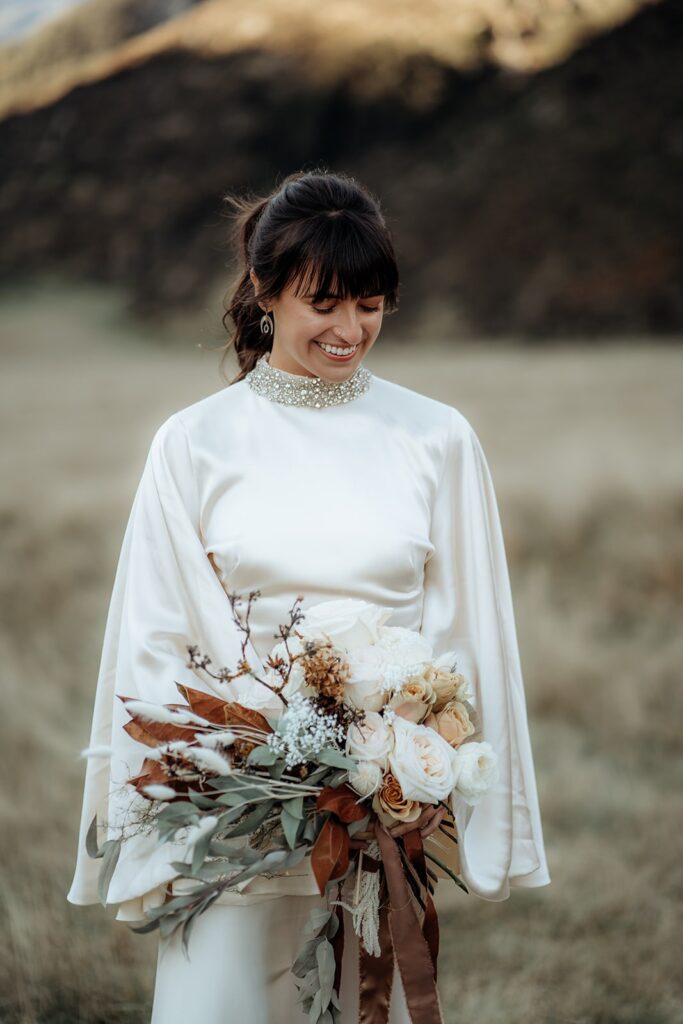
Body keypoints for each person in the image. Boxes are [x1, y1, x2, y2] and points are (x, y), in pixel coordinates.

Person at [66, 168, 551, 1023]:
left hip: (380, 810)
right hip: (233, 799)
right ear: (265, 289)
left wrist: (409, 763)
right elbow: (158, 633)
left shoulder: (435, 437)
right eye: (325, 302)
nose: (350, 329)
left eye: (370, 304)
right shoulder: (194, 444)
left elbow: (471, 630)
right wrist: (267, 756)